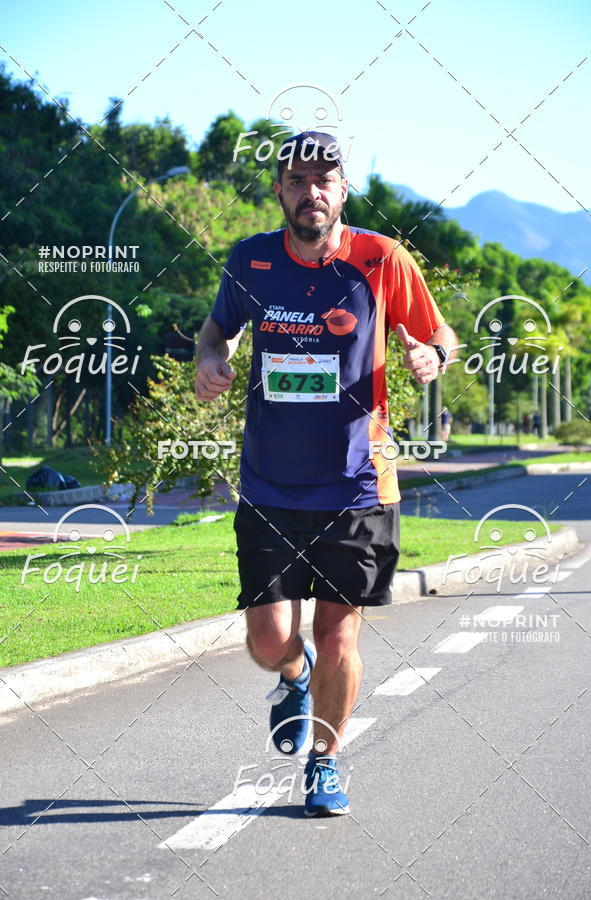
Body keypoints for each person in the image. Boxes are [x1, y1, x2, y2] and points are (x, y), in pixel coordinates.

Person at [195, 132, 458, 817]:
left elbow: (441, 335)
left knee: (340, 634)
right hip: (269, 484)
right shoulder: (250, 260)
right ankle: (293, 674)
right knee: (267, 639)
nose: (311, 191)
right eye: (297, 180)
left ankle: (325, 762)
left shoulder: (382, 258)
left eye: (324, 179)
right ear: (279, 191)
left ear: (343, 189)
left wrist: (430, 356)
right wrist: (211, 359)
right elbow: (217, 330)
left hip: (359, 484)